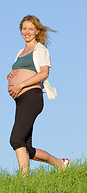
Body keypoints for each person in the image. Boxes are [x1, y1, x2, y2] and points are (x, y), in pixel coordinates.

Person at [7, 15, 70, 175]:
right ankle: (60, 164)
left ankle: (24, 181)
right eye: (24, 28)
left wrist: (20, 83)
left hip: (32, 97)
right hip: (20, 100)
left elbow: (44, 73)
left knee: (15, 139)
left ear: (36, 31)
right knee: (26, 147)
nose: (27, 32)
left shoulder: (41, 49)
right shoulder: (21, 52)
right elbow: (22, 70)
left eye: (30, 29)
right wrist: (12, 76)